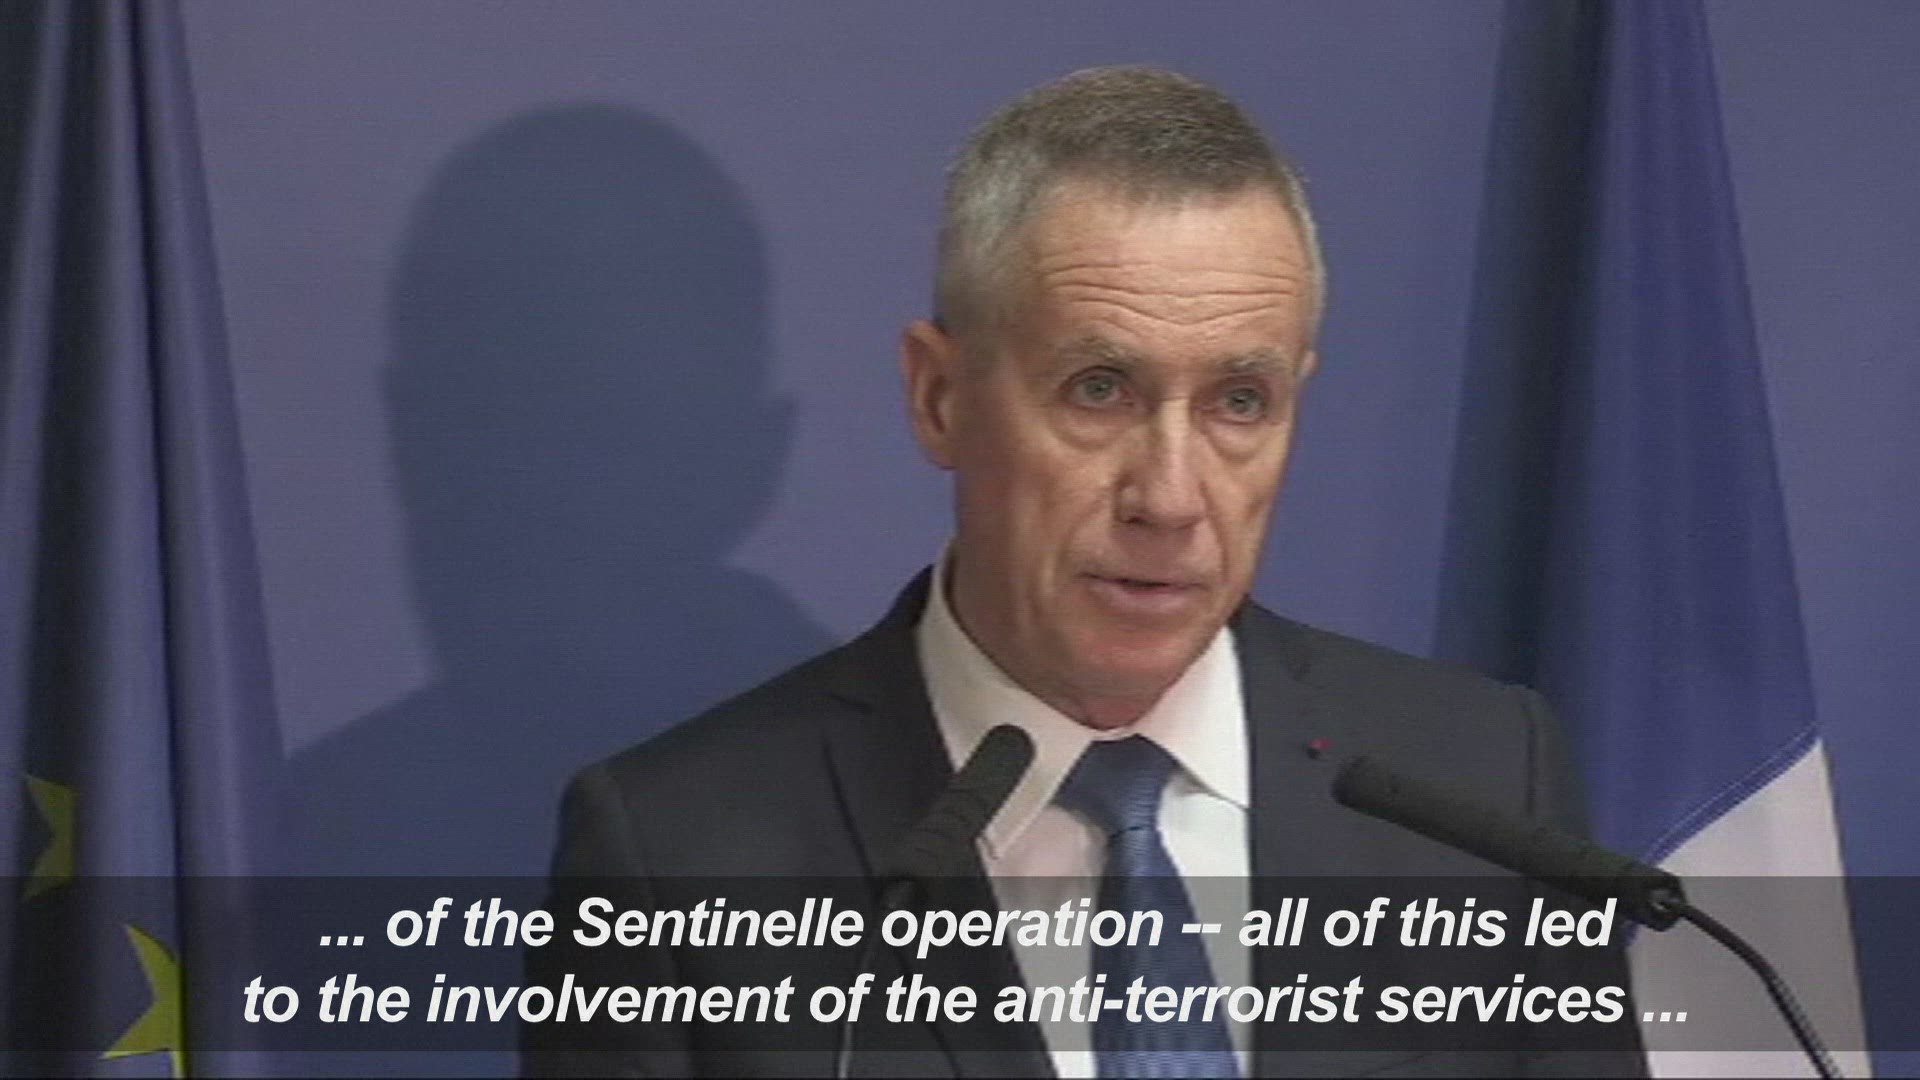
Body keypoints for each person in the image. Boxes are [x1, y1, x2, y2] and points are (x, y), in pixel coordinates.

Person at [527, 67, 1641, 1078]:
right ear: (939, 398)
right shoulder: (677, 857)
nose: (1171, 496)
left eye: (1239, 402)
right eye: (1099, 390)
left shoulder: (1483, 787)